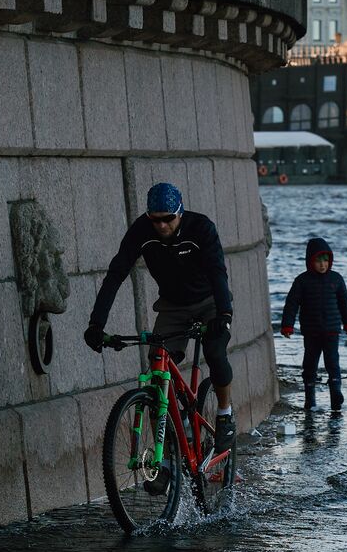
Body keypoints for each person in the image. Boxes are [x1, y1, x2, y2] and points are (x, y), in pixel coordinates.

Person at [83, 182, 236, 455]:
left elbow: (217, 272)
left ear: (180, 213)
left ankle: (225, 415)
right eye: (156, 220)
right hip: (172, 307)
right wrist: (96, 324)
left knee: (215, 352)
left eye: (168, 219)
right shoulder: (141, 231)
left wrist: (224, 314)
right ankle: (164, 457)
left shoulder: (201, 228)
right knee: (157, 372)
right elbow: (116, 274)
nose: (162, 226)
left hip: (209, 302)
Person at [279, 237, 347, 413]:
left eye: (326, 260)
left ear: (330, 261)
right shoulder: (302, 281)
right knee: (310, 364)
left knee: (332, 363)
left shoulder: (336, 279)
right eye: (318, 261)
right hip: (311, 331)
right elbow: (292, 304)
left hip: (331, 331)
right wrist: (287, 326)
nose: (322, 265)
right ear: (310, 261)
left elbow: (345, 303)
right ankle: (310, 399)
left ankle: (336, 394)